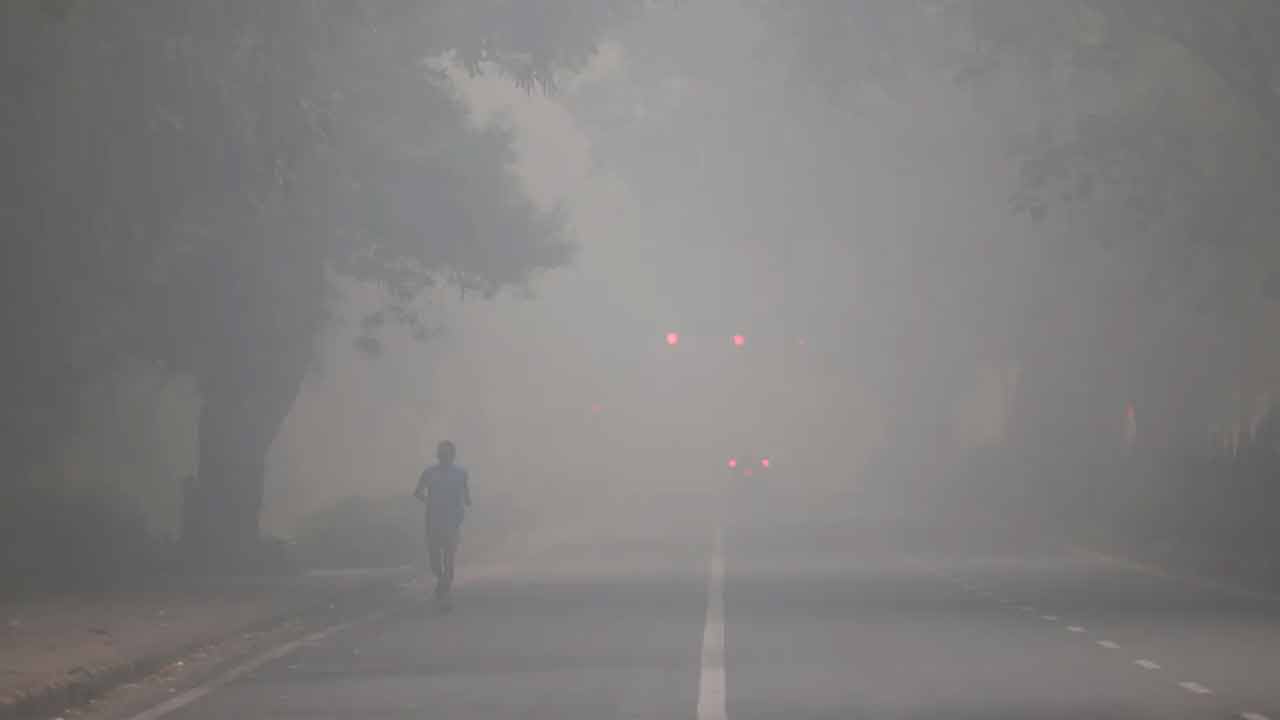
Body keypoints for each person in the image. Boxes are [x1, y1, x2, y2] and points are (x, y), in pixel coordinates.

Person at [414, 440, 471, 608]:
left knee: (449, 555)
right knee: (434, 558)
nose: (444, 457)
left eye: (447, 454)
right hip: (432, 520)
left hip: (452, 521)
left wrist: (463, 503)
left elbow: (466, 496)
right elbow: (417, 492)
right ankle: (441, 579)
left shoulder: (461, 473)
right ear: (438, 455)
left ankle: (445, 588)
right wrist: (429, 502)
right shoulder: (429, 473)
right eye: (441, 454)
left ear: (453, 456)